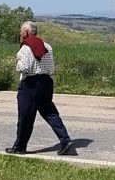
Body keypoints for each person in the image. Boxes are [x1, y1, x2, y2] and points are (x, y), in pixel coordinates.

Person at [7, 21, 75, 156]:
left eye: (22, 31)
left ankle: (20, 146)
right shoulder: (47, 46)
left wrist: (17, 61)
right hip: (46, 82)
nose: (20, 34)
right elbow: (51, 67)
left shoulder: (25, 48)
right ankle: (65, 140)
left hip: (30, 85)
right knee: (50, 112)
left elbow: (24, 68)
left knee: (26, 117)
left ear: (26, 32)